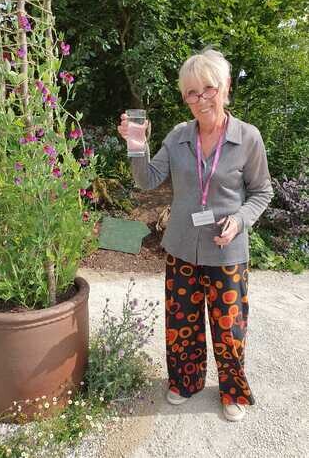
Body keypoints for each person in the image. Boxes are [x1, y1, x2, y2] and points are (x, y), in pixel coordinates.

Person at [117, 48, 273, 422]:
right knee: (182, 322)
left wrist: (239, 220)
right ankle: (185, 382)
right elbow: (146, 180)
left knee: (228, 325)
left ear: (226, 88)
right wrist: (135, 144)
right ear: (184, 97)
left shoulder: (247, 138)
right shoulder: (178, 135)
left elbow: (262, 192)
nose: (201, 99)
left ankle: (232, 389)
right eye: (191, 92)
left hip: (227, 250)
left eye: (208, 89)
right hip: (183, 248)